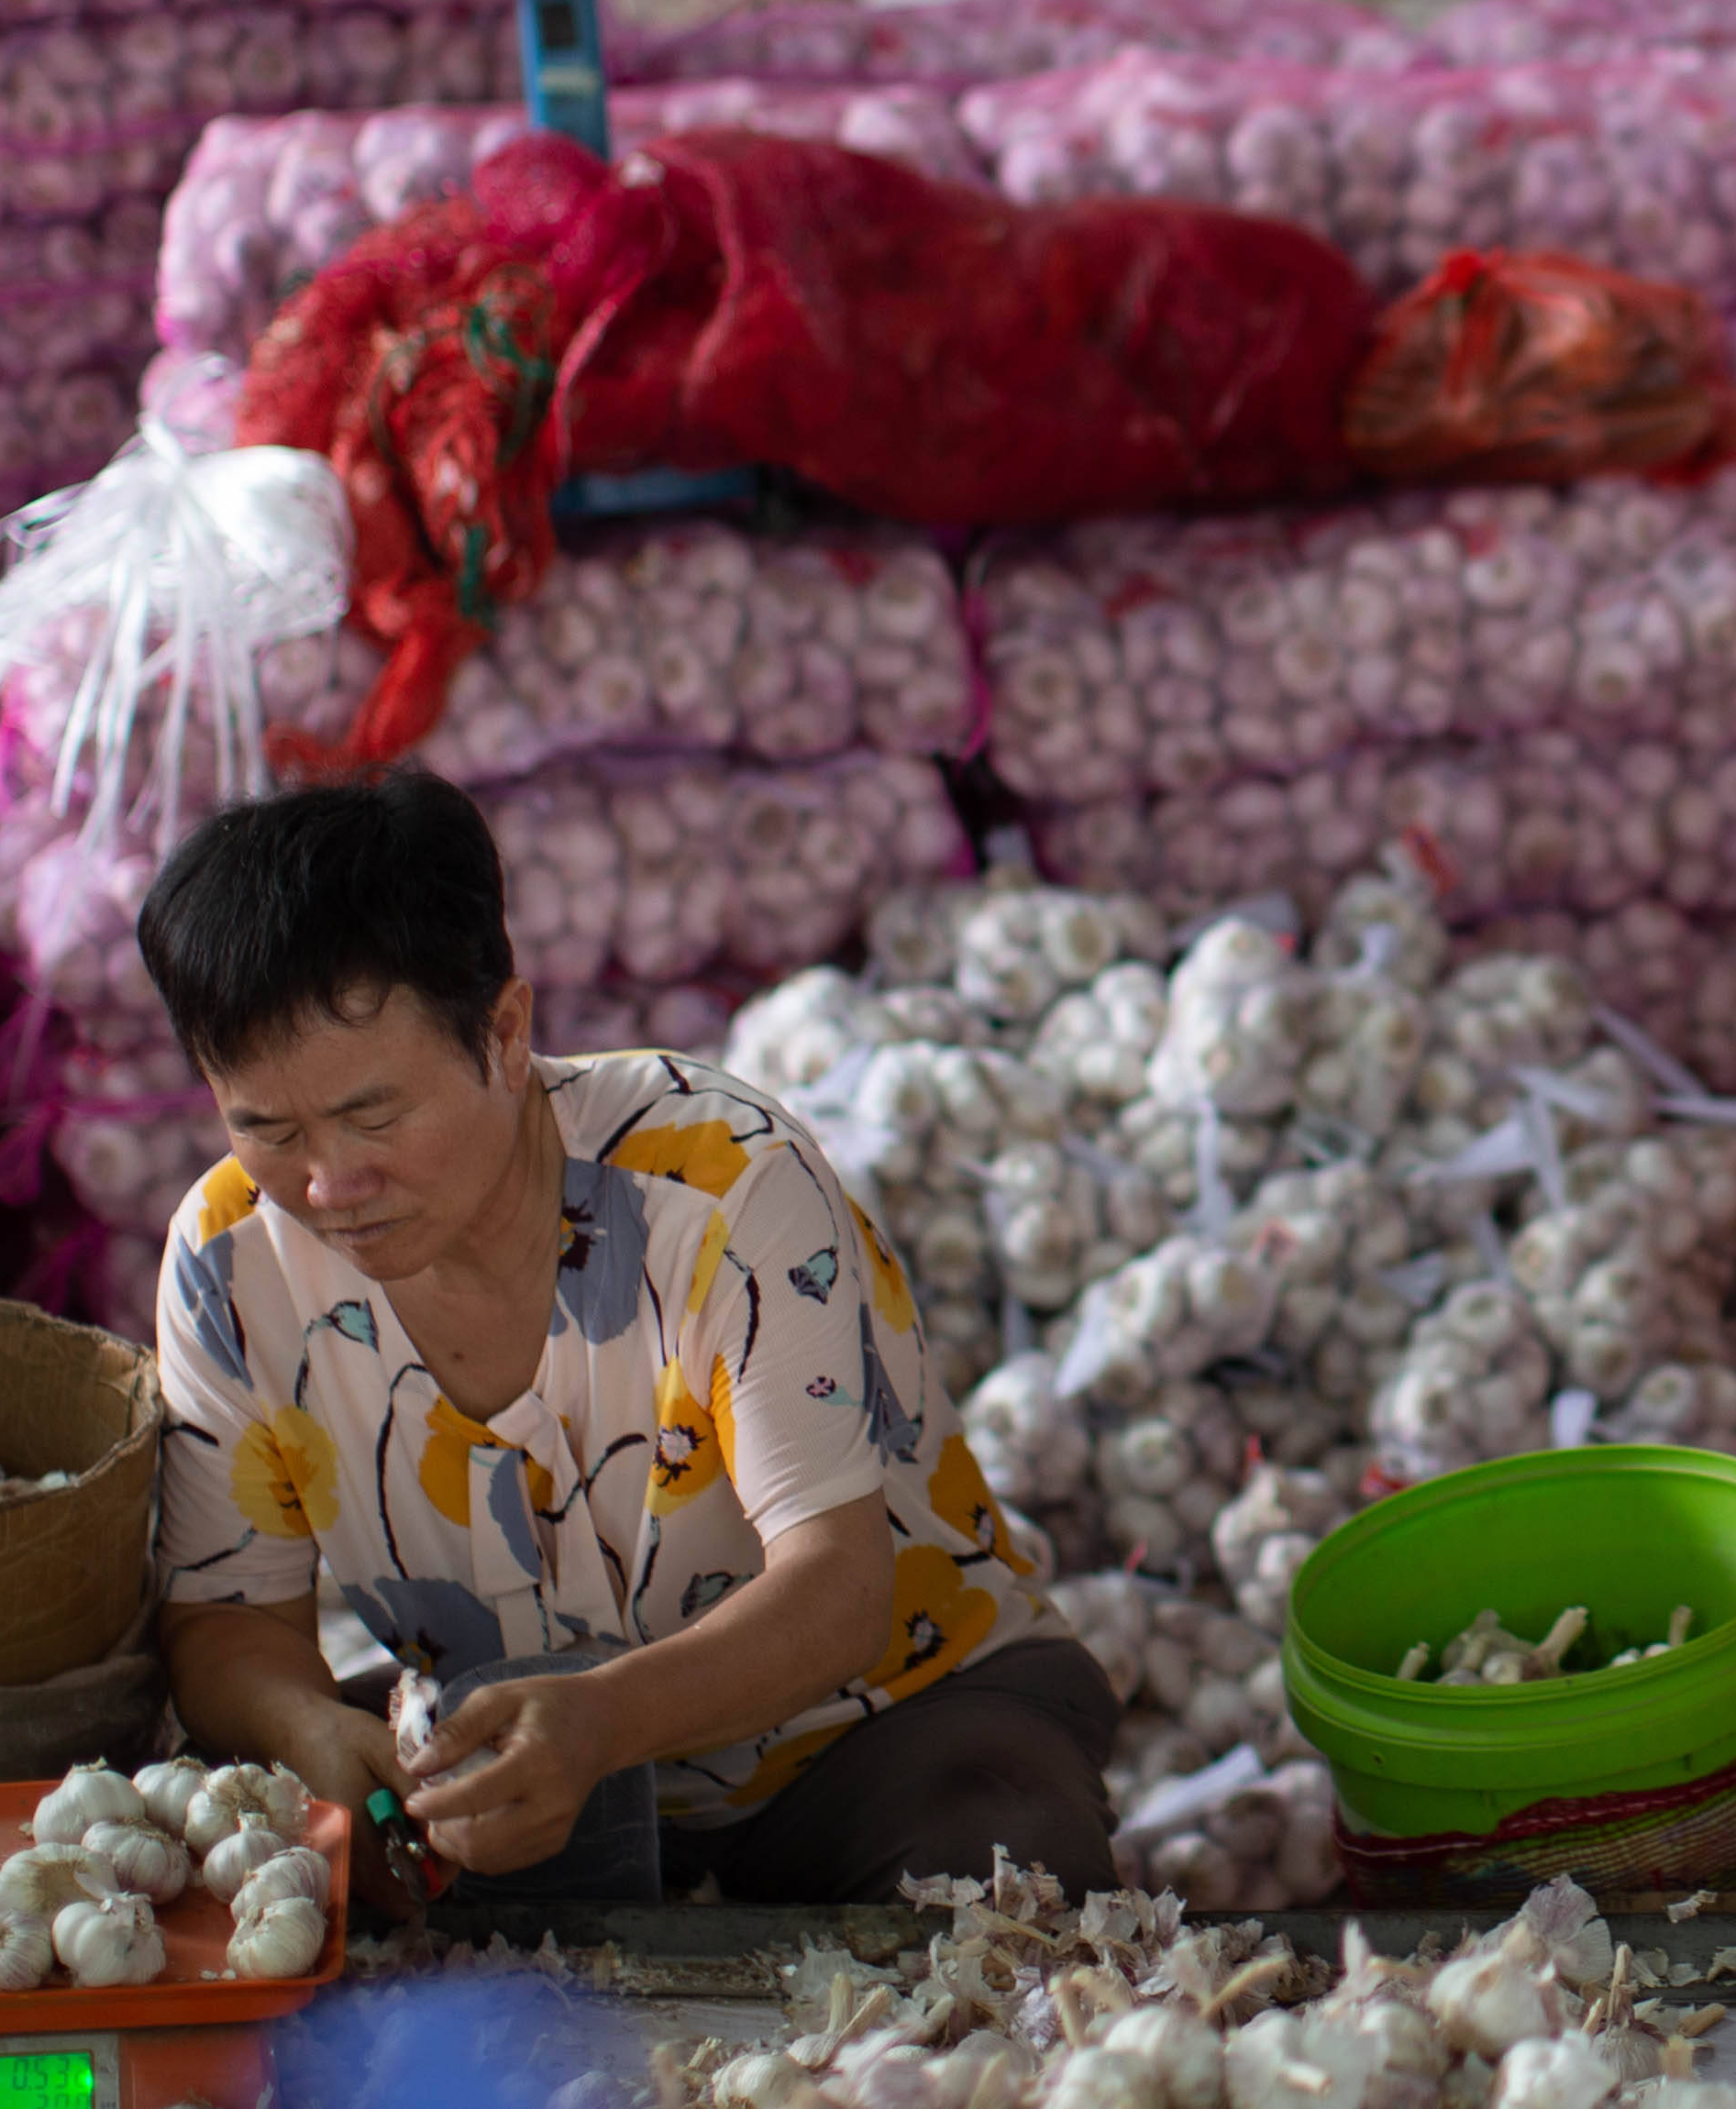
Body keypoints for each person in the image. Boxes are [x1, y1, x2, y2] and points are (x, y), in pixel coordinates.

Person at [140, 772, 1117, 1905]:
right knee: (214, 1850)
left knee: (1005, 1872)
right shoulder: (229, 1256)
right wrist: (306, 1725)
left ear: (504, 1032)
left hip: (879, 1722)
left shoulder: (717, 1182)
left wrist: (607, 1720)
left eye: (373, 1115)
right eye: (266, 1126)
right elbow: (224, 1620)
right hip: (518, 1748)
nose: (328, 1182)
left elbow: (839, 1584)